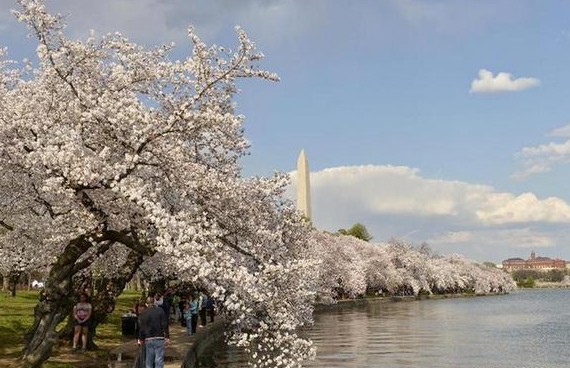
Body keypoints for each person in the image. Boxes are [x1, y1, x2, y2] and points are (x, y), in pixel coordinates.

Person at [138, 297, 170, 368]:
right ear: (154, 302)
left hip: (149, 338)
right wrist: (167, 336)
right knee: (159, 359)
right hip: (159, 337)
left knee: (149, 360)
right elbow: (165, 324)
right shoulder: (160, 310)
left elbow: (141, 328)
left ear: (146, 304)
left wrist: (141, 338)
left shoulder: (143, 314)